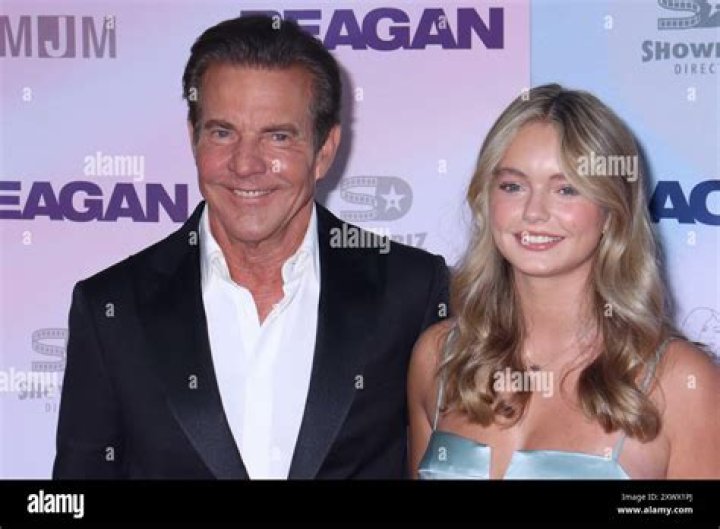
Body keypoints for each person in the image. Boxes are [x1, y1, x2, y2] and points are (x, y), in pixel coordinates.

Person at [53, 15, 448, 479]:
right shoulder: (112, 308)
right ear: (193, 138)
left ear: (324, 150)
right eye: (222, 133)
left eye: (277, 136)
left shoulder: (410, 289)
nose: (245, 164)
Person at [408, 84, 719, 479]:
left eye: (566, 189)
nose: (534, 212)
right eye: (513, 186)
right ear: (487, 198)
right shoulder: (440, 357)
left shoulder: (680, 383)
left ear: (612, 211)